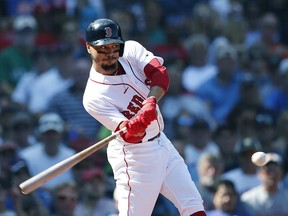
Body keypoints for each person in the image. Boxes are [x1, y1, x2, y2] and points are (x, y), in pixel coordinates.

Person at [82, 18, 206, 216]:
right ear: (89, 47)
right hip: (135, 157)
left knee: (193, 207)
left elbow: (160, 75)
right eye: (103, 48)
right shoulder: (93, 97)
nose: (110, 53)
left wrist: (150, 102)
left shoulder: (130, 50)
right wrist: (140, 120)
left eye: (114, 46)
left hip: (162, 142)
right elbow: (132, 135)